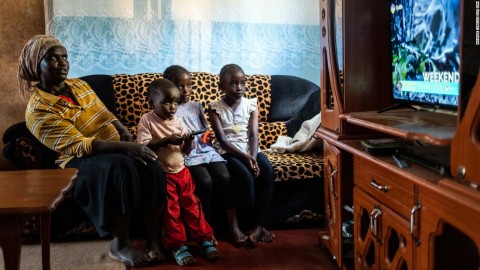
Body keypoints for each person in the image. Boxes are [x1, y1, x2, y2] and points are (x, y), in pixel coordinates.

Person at [17, 35, 167, 267]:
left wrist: (124, 132)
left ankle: (155, 240)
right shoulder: (37, 110)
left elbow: (105, 113)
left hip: (112, 147)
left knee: (151, 163)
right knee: (120, 166)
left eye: (65, 57)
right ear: (37, 65)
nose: (63, 63)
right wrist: (128, 147)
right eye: (53, 59)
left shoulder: (80, 86)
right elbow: (80, 145)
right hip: (77, 159)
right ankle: (119, 245)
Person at [136, 78, 220, 266]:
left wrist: (188, 140)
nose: (172, 107)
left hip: (182, 171)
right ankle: (177, 245)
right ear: (152, 103)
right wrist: (167, 140)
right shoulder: (147, 120)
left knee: (192, 205)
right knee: (171, 210)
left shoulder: (179, 121)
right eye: (166, 102)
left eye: (175, 102)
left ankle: (204, 239)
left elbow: (185, 151)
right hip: (163, 174)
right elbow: (142, 146)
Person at [162, 65, 247, 246]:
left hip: (206, 150)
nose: (186, 91)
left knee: (224, 177)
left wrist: (210, 135)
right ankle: (204, 228)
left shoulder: (196, 106)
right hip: (188, 152)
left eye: (189, 85)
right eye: (180, 86)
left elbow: (206, 129)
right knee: (205, 182)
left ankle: (233, 226)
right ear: (169, 87)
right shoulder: (167, 109)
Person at [208, 64, 276, 247]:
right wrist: (246, 159)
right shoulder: (214, 108)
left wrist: (253, 158)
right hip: (228, 151)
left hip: (250, 149)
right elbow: (222, 140)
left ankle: (259, 225)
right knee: (245, 176)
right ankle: (240, 225)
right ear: (221, 87)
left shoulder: (251, 105)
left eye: (242, 83)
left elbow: (253, 135)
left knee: (267, 171)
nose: (239, 88)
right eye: (233, 84)